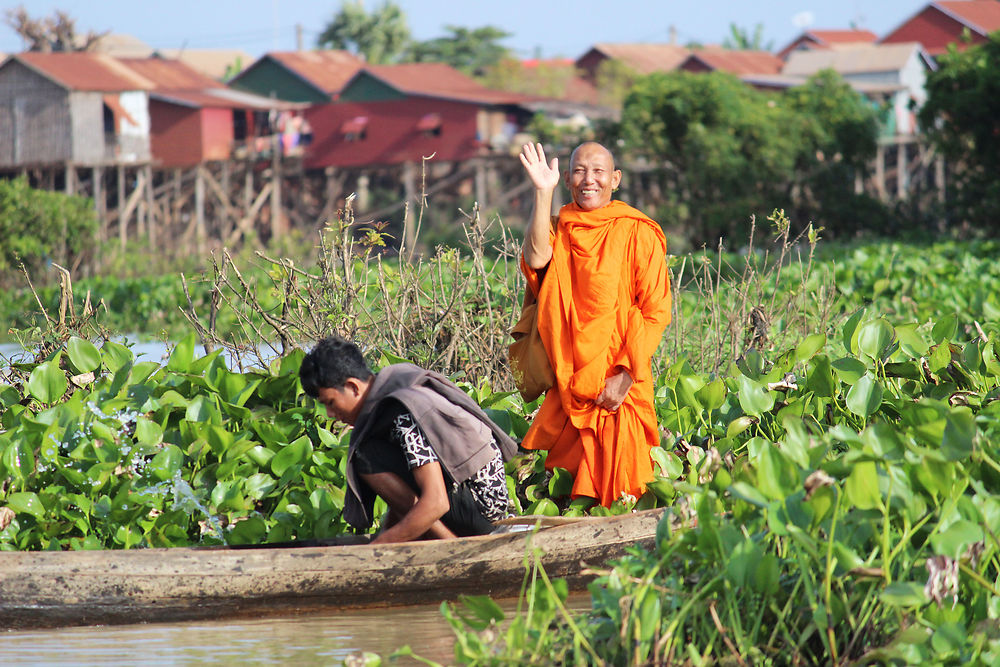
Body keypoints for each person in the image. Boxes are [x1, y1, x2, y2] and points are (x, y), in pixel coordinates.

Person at [516, 141, 672, 506]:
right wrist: (543, 193)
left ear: (614, 179)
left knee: (625, 486)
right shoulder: (559, 228)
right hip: (571, 377)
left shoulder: (637, 231)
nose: (590, 180)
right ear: (568, 178)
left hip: (621, 376)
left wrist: (626, 376)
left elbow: (655, 313)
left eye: (599, 171)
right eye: (581, 171)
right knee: (570, 487)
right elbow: (537, 258)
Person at [299, 336, 518, 544]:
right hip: (474, 501)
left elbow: (436, 502)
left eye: (330, 402)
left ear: (353, 387)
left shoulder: (402, 410)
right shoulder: (395, 382)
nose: (329, 413)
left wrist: (379, 548)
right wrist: (388, 535)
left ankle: (450, 545)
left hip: (482, 511)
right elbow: (406, 486)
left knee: (366, 457)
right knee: (372, 452)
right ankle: (438, 539)